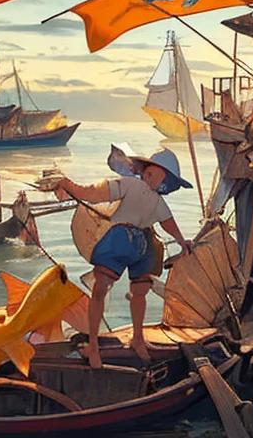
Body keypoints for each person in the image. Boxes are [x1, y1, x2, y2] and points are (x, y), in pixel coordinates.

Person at [47, 144, 193, 368]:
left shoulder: (143, 192)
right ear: (144, 170)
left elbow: (167, 223)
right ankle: (114, 343)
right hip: (131, 244)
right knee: (119, 292)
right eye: (149, 173)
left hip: (130, 243)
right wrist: (67, 184)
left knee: (119, 292)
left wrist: (182, 241)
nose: (150, 179)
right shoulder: (142, 191)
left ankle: (119, 342)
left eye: (157, 177)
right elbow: (92, 194)